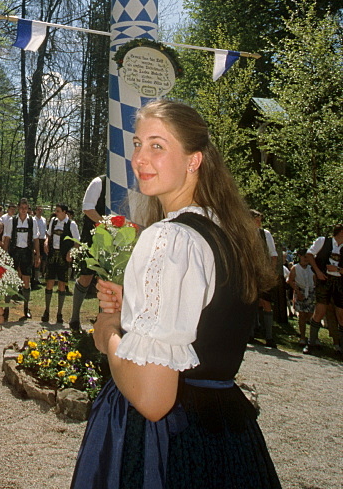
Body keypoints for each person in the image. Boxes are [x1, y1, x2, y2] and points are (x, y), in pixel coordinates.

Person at [71, 100, 282, 489]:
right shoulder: (229, 234)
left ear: (193, 160)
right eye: (137, 143)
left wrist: (108, 332)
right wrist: (136, 306)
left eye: (157, 146)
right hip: (224, 435)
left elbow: (153, 400)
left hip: (168, 446)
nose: (139, 159)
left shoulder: (169, 239)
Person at [69, 174, 106, 332]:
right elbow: (87, 208)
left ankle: (104, 321)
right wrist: (106, 224)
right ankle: (75, 317)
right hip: (92, 238)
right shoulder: (98, 182)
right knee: (86, 276)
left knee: (108, 282)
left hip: (115, 240)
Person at [303, 223, 343, 354]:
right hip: (324, 279)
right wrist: (318, 271)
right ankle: (311, 343)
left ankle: (341, 347)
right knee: (320, 310)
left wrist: (338, 269)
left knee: (341, 314)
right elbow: (309, 254)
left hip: (340, 281)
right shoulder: (323, 241)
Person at [42, 204, 79, 325]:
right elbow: (48, 235)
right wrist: (47, 242)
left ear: (64, 212)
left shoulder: (71, 224)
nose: (56, 213)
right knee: (49, 282)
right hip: (52, 255)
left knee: (62, 284)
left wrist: (70, 253)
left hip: (63, 256)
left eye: (58, 211)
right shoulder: (53, 221)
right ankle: (47, 311)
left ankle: (59, 313)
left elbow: (77, 242)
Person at [3, 197, 40, 320]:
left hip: (27, 252)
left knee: (26, 280)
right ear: (18, 208)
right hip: (14, 251)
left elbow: (35, 239)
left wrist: (37, 255)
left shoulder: (32, 221)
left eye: (26, 208)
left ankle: (26, 308)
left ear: (28, 208)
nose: (24, 210)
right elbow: (7, 238)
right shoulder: (12, 221)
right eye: (22, 208)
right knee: (10, 279)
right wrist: (5, 254)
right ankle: (6, 308)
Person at [250, 209, 278, 348]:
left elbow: (273, 255)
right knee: (250, 301)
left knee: (266, 302)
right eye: (256, 220)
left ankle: (269, 336)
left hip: (262, 273)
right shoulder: (243, 233)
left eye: (259, 220)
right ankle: (250, 333)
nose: (259, 223)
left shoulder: (265, 234)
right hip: (248, 273)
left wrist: (270, 272)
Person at [287, 248, 315, 345]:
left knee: (311, 315)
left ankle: (313, 337)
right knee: (302, 315)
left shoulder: (311, 268)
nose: (306, 259)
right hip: (300, 291)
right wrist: (298, 292)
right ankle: (302, 337)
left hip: (311, 292)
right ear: (300, 256)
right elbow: (290, 280)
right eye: (304, 257)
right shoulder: (295, 268)